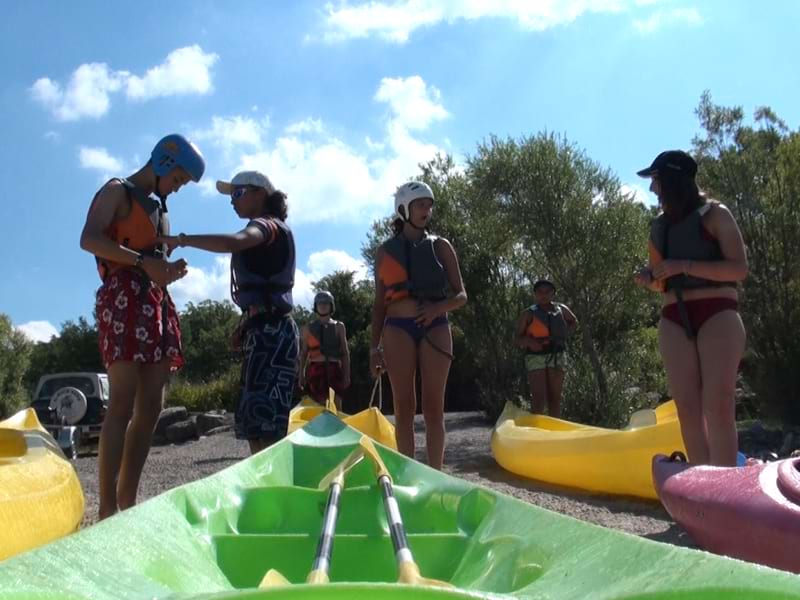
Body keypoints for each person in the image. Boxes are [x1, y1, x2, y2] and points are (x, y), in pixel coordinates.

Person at [79, 133, 205, 519]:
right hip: (122, 297)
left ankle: (128, 500)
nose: (178, 188)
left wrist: (167, 271)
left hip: (155, 302)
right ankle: (106, 508)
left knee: (152, 405)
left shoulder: (161, 210)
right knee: (122, 399)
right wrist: (140, 262)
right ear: (165, 163)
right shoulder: (119, 191)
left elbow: (155, 265)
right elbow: (89, 239)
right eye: (179, 180)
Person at [158, 171, 299, 455]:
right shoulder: (269, 228)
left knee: (267, 425)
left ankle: (275, 492)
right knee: (254, 425)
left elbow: (235, 242)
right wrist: (245, 324)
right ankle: (264, 491)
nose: (232, 202)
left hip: (272, 333)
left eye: (237, 194)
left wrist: (182, 240)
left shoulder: (267, 226)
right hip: (262, 328)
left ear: (260, 194)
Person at [634, 150, 747, 466]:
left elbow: (738, 269)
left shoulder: (716, 215)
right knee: (688, 408)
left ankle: (725, 489)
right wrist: (649, 279)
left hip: (718, 313)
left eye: (655, 180)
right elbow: (661, 281)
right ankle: (702, 486)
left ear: (671, 180)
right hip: (674, 318)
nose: (653, 188)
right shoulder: (659, 227)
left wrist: (684, 265)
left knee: (719, 404)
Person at [369, 181, 467, 469]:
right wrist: (374, 348)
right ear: (404, 209)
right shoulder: (384, 252)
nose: (427, 209)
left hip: (435, 326)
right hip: (397, 327)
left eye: (429, 204)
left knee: (434, 407)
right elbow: (378, 305)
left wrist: (439, 307)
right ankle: (407, 474)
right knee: (403, 407)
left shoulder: (441, 246)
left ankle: (435, 473)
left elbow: (461, 295)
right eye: (420, 204)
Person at [514, 279, 578, 417]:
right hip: (535, 357)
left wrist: (564, 333)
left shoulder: (562, 309)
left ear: (553, 293)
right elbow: (517, 339)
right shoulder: (528, 313)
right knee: (539, 399)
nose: (543, 295)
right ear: (535, 294)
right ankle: (538, 433)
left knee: (555, 398)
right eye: (540, 292)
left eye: (547, 292)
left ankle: (554, 432)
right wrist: (530, 342)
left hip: (557, 355)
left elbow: (573, 321)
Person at [298, 291, 351, 411]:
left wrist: (347, 374)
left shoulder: (339, 326)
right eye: (320, 303)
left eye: (326, 303)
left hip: (334, 369)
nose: (323, 305)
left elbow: (345, 353)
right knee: (318, 407)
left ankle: (337, 428)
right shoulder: (308, 328)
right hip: (315, 370)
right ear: (316, 306)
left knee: (336, 406)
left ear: (331, 305)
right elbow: (304, 353)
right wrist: (301, 374)